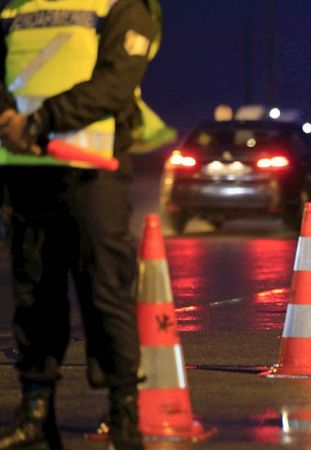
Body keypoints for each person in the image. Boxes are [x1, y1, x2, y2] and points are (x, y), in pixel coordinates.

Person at [0, 1, 163, 449]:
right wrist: (8, 120)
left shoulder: (119, 5)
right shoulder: (17, 7)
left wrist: (39, 121)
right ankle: (35, 414)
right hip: (28, 170)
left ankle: (124, 417)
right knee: (34, 294)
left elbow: (116, 83)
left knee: (106, 291)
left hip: (93, 172)